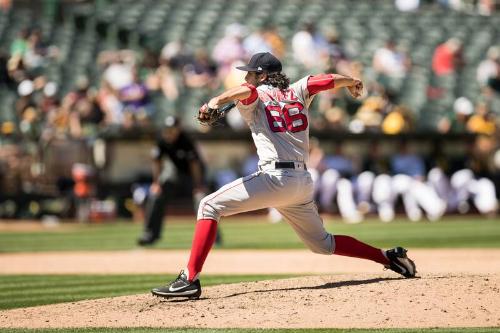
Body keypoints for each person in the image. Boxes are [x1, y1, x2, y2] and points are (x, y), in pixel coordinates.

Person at [151, 52, 416, 299]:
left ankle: (189, 279)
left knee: (208, 205)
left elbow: (247, 91)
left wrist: (213, 101)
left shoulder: (255, 93)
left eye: (250, 73)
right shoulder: (297, 90)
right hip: (301, 182)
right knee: (322, 244)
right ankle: (386, 257)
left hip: (275, 178)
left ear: (262, 76)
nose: (246, 78)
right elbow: (326, 80)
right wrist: (352, 81)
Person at [136, 116, 221, 246]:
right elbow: (157, 161)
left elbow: (195, 165)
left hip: (193, 175)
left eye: (173, 130)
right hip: (174, 174)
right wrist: (156, 183)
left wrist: (198, 185)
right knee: (155, 196)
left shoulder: (186, 140)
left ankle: (213, 237)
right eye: (168, 129)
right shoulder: (161, 139)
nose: (170, 132)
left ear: (178, 130)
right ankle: (150, 235)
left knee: (202, 200)